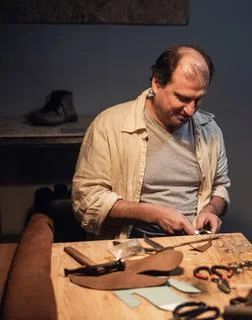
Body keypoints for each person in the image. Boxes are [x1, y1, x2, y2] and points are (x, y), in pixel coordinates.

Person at [72, 45, 230, 239]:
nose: (190, 110)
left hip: (193, 244)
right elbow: (87, 200)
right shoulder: (109, 125)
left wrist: (211, 210)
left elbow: (219, 187)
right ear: (157, 83)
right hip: (129, 247)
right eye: (182, 98)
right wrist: (152, 215)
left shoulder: (210, 130)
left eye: (198, 100)